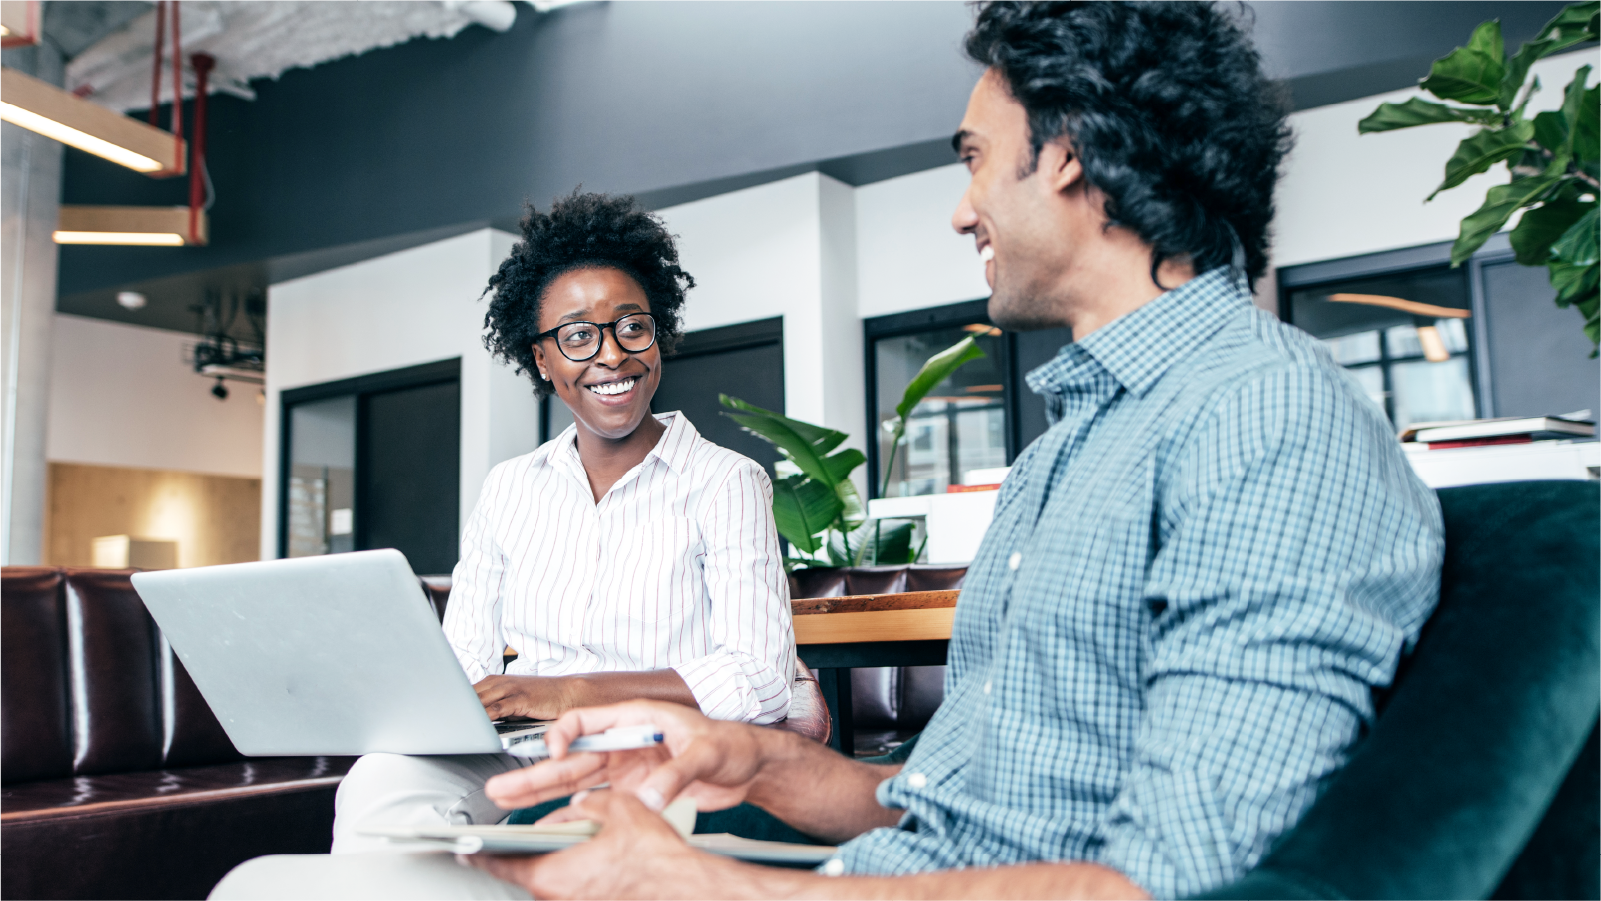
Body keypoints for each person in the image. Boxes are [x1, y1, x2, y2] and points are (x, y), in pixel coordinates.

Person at [211, 1, 1443, 898]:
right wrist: (744, 757)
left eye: (971, 157)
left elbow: (1172, 879)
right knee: (297, 870)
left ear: (1064, 156)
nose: (960, 206)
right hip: (864, 869)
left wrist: (733, 889)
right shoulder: (1076, 447)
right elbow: (941, 806)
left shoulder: (1263, 420)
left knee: (280, 893)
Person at [328, 191, 796, 853]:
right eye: (577, 336)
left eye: (632, 326)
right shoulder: (510, 487)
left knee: (565, 828)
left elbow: (758, 678)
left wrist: (568, 692)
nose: (611, 355)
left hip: (655, 749)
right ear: (542, 360)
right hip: (521, 748)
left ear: (657, 333)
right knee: (380, 787)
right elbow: (467, 658)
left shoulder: (725, 481)